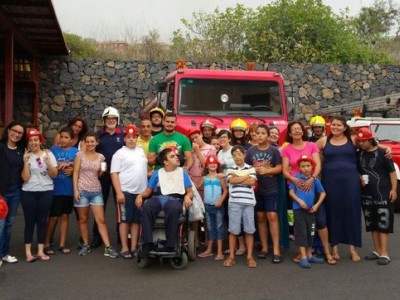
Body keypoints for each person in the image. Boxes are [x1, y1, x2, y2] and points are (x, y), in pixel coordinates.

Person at [282, 121, 336, 265]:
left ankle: (327, 252)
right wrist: (293, 179)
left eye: (299, 129)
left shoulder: (311, 145)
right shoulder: (287, 149)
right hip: (296, 188)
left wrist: (312, 178)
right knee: (300, 223)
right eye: (294, 129)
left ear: (303, 131)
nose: (297, 131)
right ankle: (304, 254)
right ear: (289, 133)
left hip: (313, 186)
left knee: (320, 221)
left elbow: (318, 164)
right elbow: (285, 170)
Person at [316, 115, 362, 262]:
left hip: (351, 183)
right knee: (332, 213)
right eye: (333, 125)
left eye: (339, 125)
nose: (335, 127)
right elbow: (308, 151)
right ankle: (334, 249)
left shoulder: (353, 140)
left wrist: (384, 147)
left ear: (345, 127)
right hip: (330, 183)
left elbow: (371, 145)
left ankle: (353, 249)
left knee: (351, 212)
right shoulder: (324, 141)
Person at [135, 148, 193, 257]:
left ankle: (170, 244)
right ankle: (148, 243)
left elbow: (190, 191)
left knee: (173, 208)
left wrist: (187, 197)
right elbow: (148, 192)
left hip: (175, 199)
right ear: (165, 162)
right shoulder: (157, 173)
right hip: (158, 197)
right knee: (147, 207)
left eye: (175, 155)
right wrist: (139, 195)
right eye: (172, 156)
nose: (176, 157)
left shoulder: (182, 173)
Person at [73, 132, 119, 258]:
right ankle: (86, 245)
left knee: (101, 220)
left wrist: (102, 171)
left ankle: (108, 247)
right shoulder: (79, 155)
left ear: (97, 142)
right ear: (84, 143)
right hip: (82, 190)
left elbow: (99, 175)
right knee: (83, 219)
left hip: (96, 190)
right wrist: (76, 190)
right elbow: (76, 173)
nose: (90, 144)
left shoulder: (101, 157)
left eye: (92, 141)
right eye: (87, 142)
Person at [356, 127, 397, 265]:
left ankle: (385, 253)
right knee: (371, 224)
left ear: (370, 140)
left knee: (383, 223)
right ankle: (377, 250)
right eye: (359, 141)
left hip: (383, 192)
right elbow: (357, 170)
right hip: (366, 194)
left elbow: (392, 172)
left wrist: (394, 190)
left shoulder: (383, 153)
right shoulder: (359, 154)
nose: (361, 143)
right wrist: (359, 177)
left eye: (363, 141)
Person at [245, 124, 283, 263]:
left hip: (271, 188)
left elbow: (280, 167)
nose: (260, 135)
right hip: (256, 189)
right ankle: (265, 247)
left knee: (272, 216)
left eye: (263, 133)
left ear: (268, 135)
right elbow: (246, 168)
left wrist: (267, 171)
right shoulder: (250, 151)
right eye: (258, 133)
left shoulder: (274, 151)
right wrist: (253, 170)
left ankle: (276, 249)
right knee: (260, 217)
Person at [110, 125, 148, 259]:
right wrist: (118, 192)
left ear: (137, 138)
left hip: (140, 192)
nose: (131, 139)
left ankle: (134, 247)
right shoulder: (119, 153)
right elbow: (114, 173)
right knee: (125, 220)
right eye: (128, 137)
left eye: (134, 137)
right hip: (125, 190)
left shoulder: (141, 151)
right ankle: (125, 248)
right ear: (124, 139)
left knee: (136, 220)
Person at [21, 128, 58, 262]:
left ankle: (41, 250)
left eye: (35, 140)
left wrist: (48, 163)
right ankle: (28, 252)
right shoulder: (26, 156)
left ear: (40, 141)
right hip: (29, 192)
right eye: (30, 140)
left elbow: (54, 175)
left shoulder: (49, 155)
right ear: (28, 142)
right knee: (30, 222)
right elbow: (25, 178)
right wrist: (25, 162)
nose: (33, 143)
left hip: (46, 191)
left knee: (42, 221)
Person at [92, 106, 124, 248]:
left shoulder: (123, 135)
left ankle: (121, 234)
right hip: (103, 172)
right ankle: (96, 236)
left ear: (117, 120)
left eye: (113, 118)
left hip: (119, 174)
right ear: (104, 120)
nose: (111, 120)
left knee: (121, 204)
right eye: (108, 118)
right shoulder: (98, 135)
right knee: (100, 204)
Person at [44, 127, 79, 255]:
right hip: (55, 189)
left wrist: (72, 166)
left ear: (71, 139)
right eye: (62, 137)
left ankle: (62, 243)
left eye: (66, 137)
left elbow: (79, 166)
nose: (63, 140)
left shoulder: (76, 152)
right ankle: (46, 243)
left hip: (68, 189)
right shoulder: (53, 150)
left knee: (65, 216)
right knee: (53, 217)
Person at [223, 145, 258, 268]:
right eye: (234, 155)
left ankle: (249, 256)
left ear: (244, 155)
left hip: (249, 203)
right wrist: (245, 176)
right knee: (233, 230)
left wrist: (238, 177)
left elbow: (252, 182)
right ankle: (231, 256)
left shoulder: (251, 168)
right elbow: (231, 181)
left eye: (239, 154)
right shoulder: (230, 169)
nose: (237, 157)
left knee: (249, 230)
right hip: (234, 203)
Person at [289, 155, 326, 268]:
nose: (306, 168)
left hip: (311, 210)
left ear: (312, 167)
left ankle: (310, 255)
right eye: (303, 166)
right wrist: (299, 201)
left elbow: (323, 193)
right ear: (299, 168)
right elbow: (291, 192)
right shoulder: (296, 178)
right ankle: (303, 256)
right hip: (299, 210)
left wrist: (317, 205)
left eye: (308, 166)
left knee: (311, 232)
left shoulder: (315, 180)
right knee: (301, 232)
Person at [0, 122, 26, 266]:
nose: (16, 134)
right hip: (1, 192)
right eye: (14, 131)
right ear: (8, 131)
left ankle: (5, 253)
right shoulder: (1, 147)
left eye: (20, 133)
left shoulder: (21, 150)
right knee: (0, 224)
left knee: (9, 223)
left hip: (15, 191)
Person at [197, 154, 228, 260]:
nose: (212, 165)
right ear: (206, 166)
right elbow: (196, 187)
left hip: (218, 205)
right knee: (210, 227)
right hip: (207, 205)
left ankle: (220, 251)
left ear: (217, 164)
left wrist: (220, 201)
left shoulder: (220, 177)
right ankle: (209, 249)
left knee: (219, 227)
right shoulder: (204, 178)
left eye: (214, 163)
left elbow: (225, 191)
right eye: (210, 163)